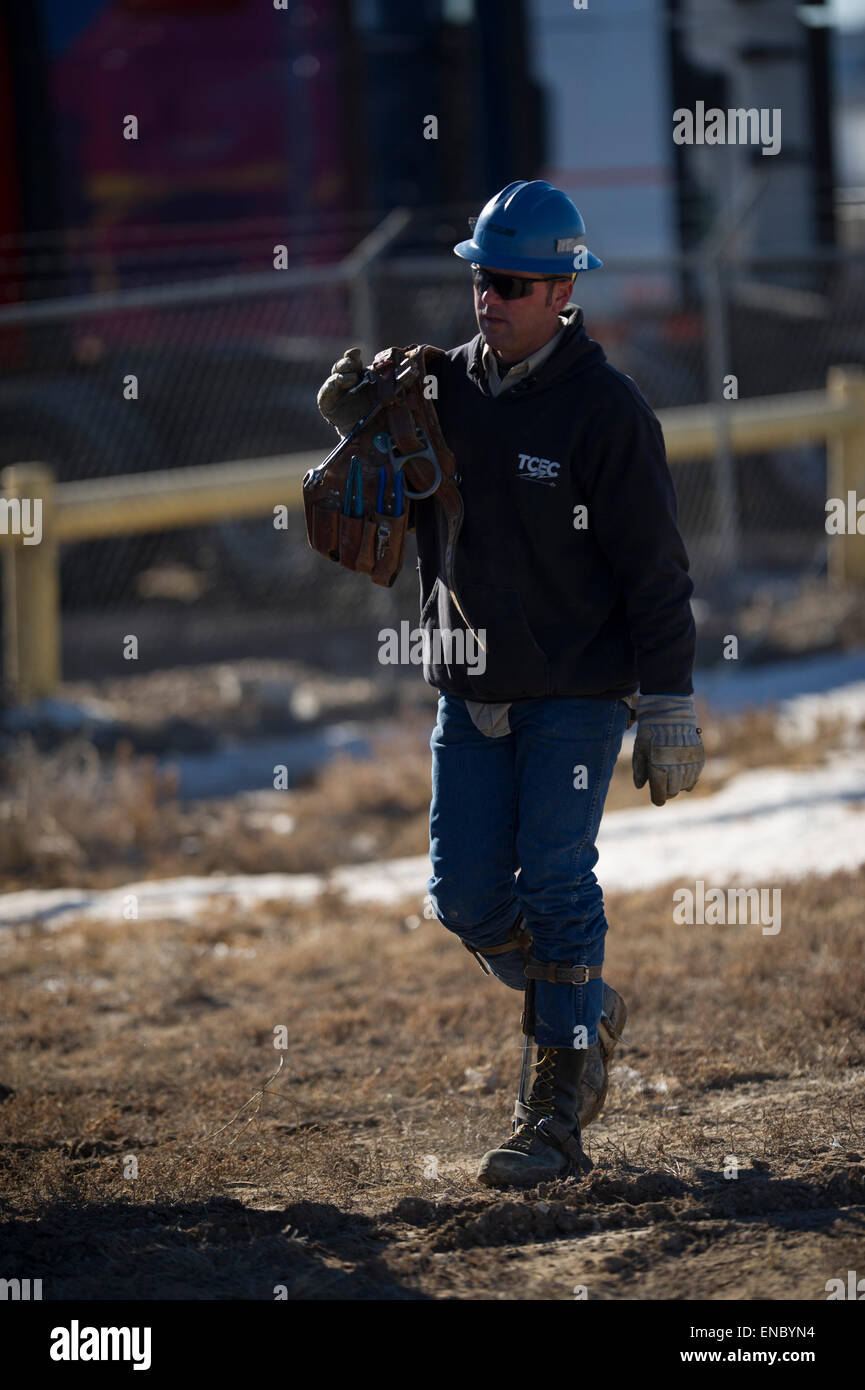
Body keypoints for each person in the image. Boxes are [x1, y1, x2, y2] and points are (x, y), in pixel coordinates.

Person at [317, 180, 705, 1187]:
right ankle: (586, 1007)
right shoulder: (433, 389)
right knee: (468, 901)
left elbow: (655, 572)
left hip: (576, 691)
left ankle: (554, 1112)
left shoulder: (606, 412)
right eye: (481, 276)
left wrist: (667, 700)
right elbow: (375, 466)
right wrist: (354, 425)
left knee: (557, 885)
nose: (489, 295)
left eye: (512, 280)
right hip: (469, 689)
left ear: (563, 288)